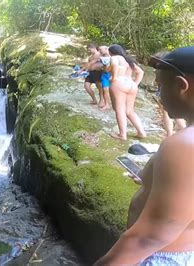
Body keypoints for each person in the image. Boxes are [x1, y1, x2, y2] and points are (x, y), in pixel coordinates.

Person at [95, 46, 194, 265]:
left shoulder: (184, 144)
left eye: (160, 87)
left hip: (163, 257)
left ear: (181, 86)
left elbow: (148, 237)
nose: (159, 96)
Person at [107, 44, 146, 140]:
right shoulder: (129, 60)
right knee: (129, 111)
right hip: (131, 85)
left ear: (111, 52)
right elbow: (140, 72)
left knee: (119, 109)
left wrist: (114, 78)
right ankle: (141, 132)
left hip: (119, 83)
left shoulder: (115, 57)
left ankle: (122, 134)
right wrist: (135, 84)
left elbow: (115, 64)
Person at [97, 45, 112, 110]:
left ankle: (112, 103)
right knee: (105, 89)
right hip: (104, 74)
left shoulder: (113, 56)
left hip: (112, 74)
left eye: (100, 50)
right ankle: (107, 104)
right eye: (99, 50)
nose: (99, 51)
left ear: (106, 49)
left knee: (112, 90)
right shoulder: (101, 57)